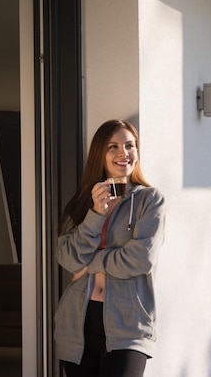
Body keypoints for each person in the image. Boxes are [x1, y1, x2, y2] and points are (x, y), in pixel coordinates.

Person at [54, 119, 166, 377]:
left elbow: (141, 259)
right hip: (77, 325)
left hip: (128, 325)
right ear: (99, 155)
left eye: (130, 145)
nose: (123, 153)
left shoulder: (150, 200)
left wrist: (90, 264)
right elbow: (68, 259)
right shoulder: (82, 203)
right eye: (112, 147)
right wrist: (96, 213)